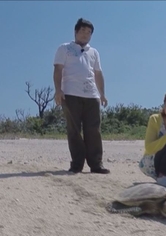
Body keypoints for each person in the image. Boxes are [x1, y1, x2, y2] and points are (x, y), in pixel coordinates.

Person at [53, 18, 110, 174]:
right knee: (74, 130)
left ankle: (96, 164)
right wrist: (58, 90)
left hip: (92, 95)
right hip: (70, 94)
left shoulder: (94, 52)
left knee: (94, 130)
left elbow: (98, 73)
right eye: (83, 31)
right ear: (76, 31)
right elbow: (58, 70)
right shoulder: (64, 48)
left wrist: (102, 94)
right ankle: (77, 164)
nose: (86, 34)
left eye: (89, 32)